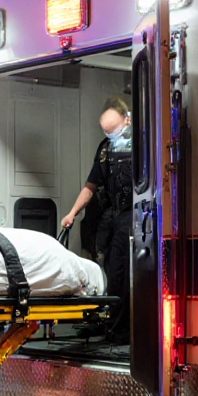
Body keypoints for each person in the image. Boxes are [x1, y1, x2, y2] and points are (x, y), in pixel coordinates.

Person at [60, 96, 132, 344]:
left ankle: (122, 330)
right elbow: (90, 186)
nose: (110, 134)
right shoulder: (105, 149)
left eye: (113, 129)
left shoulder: (143, 145)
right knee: (111, 268)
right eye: (106, 130)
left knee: (121, 271)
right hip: (114, 216)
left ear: (127, 119)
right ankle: (112, 323)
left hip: (135, 216)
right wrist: (72, 213)